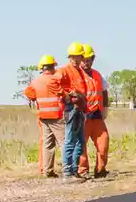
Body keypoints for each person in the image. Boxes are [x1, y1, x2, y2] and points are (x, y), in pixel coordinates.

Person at [23, 54, 65, 177]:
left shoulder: (35, 82)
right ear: (53, 67)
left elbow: (29, 94)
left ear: (42, 67)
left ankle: (47, 171)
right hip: (56, 116)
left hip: (43, 117)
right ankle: (69, 169)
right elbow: (63, 94)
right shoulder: (55, 80)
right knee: (64, 143)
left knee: (48, 145)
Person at [55, 43, 90, 182]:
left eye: (78, 56)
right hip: (71, 109)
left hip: (80, 109)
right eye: (73, 57)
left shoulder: (79, 71)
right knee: (70, 141)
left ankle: (75, 171)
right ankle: (67, 173)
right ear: (69, 57)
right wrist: (65, 95)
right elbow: (53, 83)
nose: (76, 59)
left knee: (80, 142)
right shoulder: (64, 70)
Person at [79, 44, 110, 178]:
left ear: (93, 59)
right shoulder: (76, 75)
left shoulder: (97, 75)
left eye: (89, 59)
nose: (86, 62)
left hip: (97, 116)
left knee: (104, 142)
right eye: (84, 59)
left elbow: (104, 92)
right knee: (81, 146)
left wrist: (105, 110)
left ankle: (100, 170)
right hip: (82, 116)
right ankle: (82, 171)